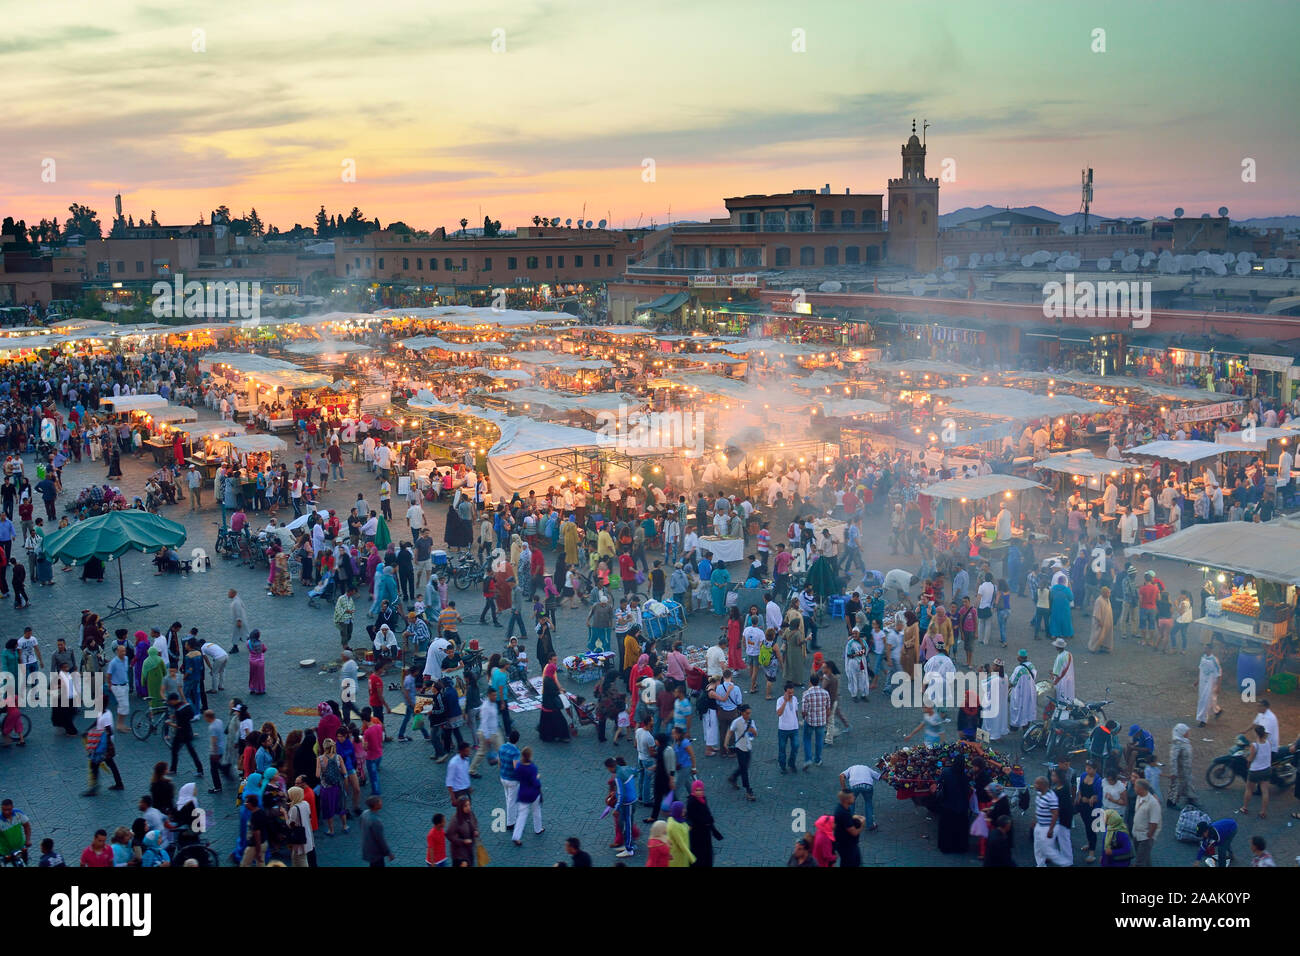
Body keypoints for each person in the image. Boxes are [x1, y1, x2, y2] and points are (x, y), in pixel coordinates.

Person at [1032, 775, 1072, 866]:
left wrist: (1051, 829)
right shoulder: (1039, 794)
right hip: (1039, 825)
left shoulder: (1051, 797)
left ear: (1043, 785)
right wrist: (1035, 820)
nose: (1034, 785)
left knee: (1047, 849)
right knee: (1037, 847)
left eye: (1037, 784)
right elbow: (1038, 808)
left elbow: (1055, 814)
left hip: (1047, 826)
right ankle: (1041, 865)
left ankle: (1065, 863)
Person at [937, 754, 972, 854]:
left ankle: (946, 847)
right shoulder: (964, 776)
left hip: (947, 805)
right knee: (960, 829)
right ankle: (960, 848)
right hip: (961, 807)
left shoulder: (946, 772)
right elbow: (967, 790)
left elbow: (939, 782)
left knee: (946, 828)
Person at [511, 747, 544, 845]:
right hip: (533, 794)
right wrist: (537, 777)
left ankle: (516, 836)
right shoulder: (532, 768)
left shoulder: (519, 766)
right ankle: (538, 828)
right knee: (536, 811)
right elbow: (536, 783)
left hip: (523, 794)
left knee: (521, 816)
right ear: (530, 756)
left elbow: (517, 776)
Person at [1239, 724, 1273, 819]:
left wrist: (1248, 765)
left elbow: (1250, 758)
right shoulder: (1268, 743)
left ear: (1256, 733)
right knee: (1265, 791)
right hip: (1266, 769)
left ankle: (1245, 807)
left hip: (1255, 771)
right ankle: (1263, 811)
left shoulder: (1254, 745)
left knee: (1249, 789)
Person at [724, 704, 757, 801]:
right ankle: (748, 790)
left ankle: (733, 777)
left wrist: (752, 730)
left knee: (744, 767)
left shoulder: (751, 722)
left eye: (749, 713)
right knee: (744, 769)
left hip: (748, 747)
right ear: (742, 713)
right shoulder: (736, 722)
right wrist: (726, 743)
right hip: (740, 748)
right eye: (747, 713)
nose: (749, 715)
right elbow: (730, 732)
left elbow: (755, 734)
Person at [685, 779, 720, 867]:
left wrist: (710, 822)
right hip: (697, 834)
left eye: (701, 790)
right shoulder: (691, 802)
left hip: (705, 832)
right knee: (699, 855)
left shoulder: (703, 799)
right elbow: (693, 817)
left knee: (706, 854)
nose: (699, 792)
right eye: (697, 790)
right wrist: (707, 821)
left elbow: (706, 812)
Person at [1131, 778, 1161, 866]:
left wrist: (1149, 835)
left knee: (1139, 861)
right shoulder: (1139, 797)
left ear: (1141, 789)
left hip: (1145, 836)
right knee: (1145, 856)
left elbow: (1154, 822)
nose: (1134, 789)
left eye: (1135, 787)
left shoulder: (1153, 803)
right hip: (1136, 833)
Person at [833, 789, 864, 867]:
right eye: (852, 796)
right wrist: (862, 824)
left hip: (847, 844)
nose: (854, 797)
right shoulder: (843, 813)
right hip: (847, 845)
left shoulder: (843, 808)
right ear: (847, 799)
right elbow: (854, 832)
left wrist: (854, 817)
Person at [360, 795, 394, 867]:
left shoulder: (364, 813)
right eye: (379, 801)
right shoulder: (376, 821)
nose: (381, 803)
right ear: (375, 805)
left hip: (367, 848)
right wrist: (389, 853)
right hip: (376, 852)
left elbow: (360, 824)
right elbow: (381, 840)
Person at [1196, 641, 1222, 727]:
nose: (1204, 649)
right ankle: (1217, 710)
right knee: (1208, 699)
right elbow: (1200, 669)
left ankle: (1203, 720)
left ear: (1210, 649)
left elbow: (1219, 673)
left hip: (1210, 683)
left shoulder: (1214, 660)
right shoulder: (1203, 657)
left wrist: (1218, 686)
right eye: (1204, 648)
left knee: (1205, 700)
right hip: (1203, 682)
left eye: (1206, 648)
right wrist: (1198, 680)